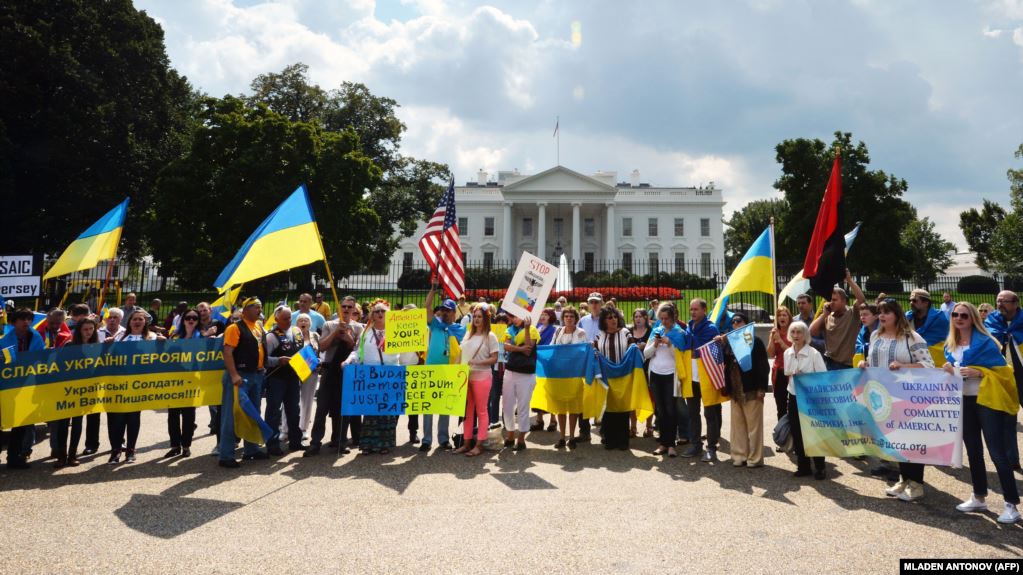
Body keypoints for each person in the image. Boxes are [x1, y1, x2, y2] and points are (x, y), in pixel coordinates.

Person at [946, 302, 1021, 524]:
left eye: (964, 315)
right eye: (955, 315)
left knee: (997, 453)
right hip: (964, 401)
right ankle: (978, 496)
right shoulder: (950, 344)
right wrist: (948, 370)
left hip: (986, 401)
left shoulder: (986, 343)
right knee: (974, 451)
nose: (959, 318)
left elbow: (1005, 373)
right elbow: (953, 370)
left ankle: (1011, 505)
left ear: (973, 319)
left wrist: (980, 372)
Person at [856, 299, 934, 500]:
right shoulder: (875, 335)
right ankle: (903, 479)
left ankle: (916, 484)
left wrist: (903, 366)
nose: (882, 316)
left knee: (911, 439)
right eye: (880, 312)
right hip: (883, 397)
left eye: (887, 312)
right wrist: (865, 364)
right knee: (896, 439)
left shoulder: (911, 337)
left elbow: (928, 365)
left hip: (907, 397)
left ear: (897, 315)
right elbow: (874, 362)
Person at [342, 300, 417, 455]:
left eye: (383, 311)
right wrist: (348, 361)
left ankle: (385, 444)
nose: (380, 314)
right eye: (377, 311)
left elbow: (407, 353)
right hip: (370, 377)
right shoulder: (366, 332)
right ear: (372, 315)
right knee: (370, 411)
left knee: (387, 412)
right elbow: (357, 351)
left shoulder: (396, 331)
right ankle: (368, 445)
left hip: (390, 376)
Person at [306, 296, 362, 457]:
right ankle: (315, 442)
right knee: (322, 407)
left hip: (346, 372)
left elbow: (357, 350)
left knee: (342, 408)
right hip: (329, 370)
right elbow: (322, 347)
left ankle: (340, 441)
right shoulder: (329, 324)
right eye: (343, 306)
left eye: (349, 307)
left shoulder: (358, 327)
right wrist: (336, 332)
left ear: (354, 309)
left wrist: (348, 337)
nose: (346, 309)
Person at [218, 298, 267, 468]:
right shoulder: (234, 328)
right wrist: (233, 375)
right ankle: (226, 455)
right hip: (240, 376)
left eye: (260, 308)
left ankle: (251, 450)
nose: (259, 311)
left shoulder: (259, 327)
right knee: (231, 415)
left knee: (253, 413)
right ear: (245, 310)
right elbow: (227, 352)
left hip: (256, 375)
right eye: (256, 307)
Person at [109, 309, 163, 463]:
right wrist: (108, 344)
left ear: (145, 322)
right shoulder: (120, 336)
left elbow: (161, 357)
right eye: (134, 319)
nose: (137, 322)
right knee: (118, 419)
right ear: (129, 322)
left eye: (140, 319)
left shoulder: (152, 338)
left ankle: (131, 450)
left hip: (139, 386)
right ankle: (116, 450)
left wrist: (162, 344)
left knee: (133, 418)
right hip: (120, 384)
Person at [420, 281, 466, 452]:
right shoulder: (435, 324)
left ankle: (443, 439)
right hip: (431, 369)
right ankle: (426, 439)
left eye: (448, 310)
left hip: (448, 371)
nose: (445, 313)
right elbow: (426, 307)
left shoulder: (460, 329)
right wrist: (432, 290)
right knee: (428, 407)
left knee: (444, 406)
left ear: (454, 312)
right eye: (443, 310)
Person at [718, 313, 768, 468]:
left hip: (751, 389)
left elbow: (763, 366)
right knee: (738, 427)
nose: (735, 324)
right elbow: (724, 363)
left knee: (754, 427)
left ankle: (755, 458)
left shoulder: (755, 341)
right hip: (735, 390)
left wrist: (762, 388)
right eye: (733, 322)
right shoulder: (730, 343)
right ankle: (740, 455)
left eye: (738, 321)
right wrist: (721, 343)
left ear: (746, 324)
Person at [642, 302, 690, 458]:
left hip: (671, 375)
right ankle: (663, 443)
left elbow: (680, 358)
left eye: (666, 319)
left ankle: (671, 444)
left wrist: (670, 344)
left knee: (671, 410)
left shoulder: (679, 332)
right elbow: (647, 354)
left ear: (673, 317)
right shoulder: (656, 330)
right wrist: (655, 344)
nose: (663, 322)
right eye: (661, 318)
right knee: (660, 410)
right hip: (656, 374)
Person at [0, 309, 45, 469]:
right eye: (22, 319)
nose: (26, 322)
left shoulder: (37, 337)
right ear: (14, 322)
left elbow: (42, 359)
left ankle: (14, 457)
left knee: (20, 424)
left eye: (29, 319)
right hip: (6, 388)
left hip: (27, 387)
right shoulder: (4, 340)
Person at [984, 290, 1023, 472]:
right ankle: (1011, 459)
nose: (1000, 304)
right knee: (1007, 420)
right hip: (1003, 376)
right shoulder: (991, 321)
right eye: (998, 301)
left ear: (1015, 303)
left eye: (1004, 301)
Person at [783, 321, 828, 479]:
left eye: (799, 332)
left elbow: (823, 375)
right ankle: (803, 466)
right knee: (797, 432)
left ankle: (820, 466)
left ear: (805, 335)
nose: (796, 335)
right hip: (794, 395)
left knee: (814, 432)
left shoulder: (814, 353)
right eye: (793, 332)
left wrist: (806, 377)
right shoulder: (787, 352)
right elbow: (787, 372)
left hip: (811, 398)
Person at [454, 304, 500, 456]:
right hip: (466, 377)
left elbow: (495, 358)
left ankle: (479, 444)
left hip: (482, 376)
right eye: (475, 316)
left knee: (481, 410)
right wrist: (456, 367)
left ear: (486, 319)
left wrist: (477, 363)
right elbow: (460, 354)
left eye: (480, 317)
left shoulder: (490, 337)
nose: (477, 319)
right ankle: (466, 443)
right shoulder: (468, 334)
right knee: (467, 411)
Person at [683, 298, 725, 461]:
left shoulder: (711, 328)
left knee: (710, 413)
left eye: (696, 309)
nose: (692, 312)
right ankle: (695, 445)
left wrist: (697, 353)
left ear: (704, 310)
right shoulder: (688, 327)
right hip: (691, 377)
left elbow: (715, 351)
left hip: (707, 376)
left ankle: (711, 447)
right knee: (693, 413)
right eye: (691, 309)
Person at [262, 306, 307, 456]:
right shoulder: (271, 336)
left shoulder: (297, 331)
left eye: (289, 318)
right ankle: (272, 444)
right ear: (276, 320)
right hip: (276, 379)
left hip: (294, 377)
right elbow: (263, 360)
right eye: (284, 319)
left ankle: (296, 441)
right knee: (274, 411)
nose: (288, 321)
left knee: (294, 410)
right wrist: (278, 360)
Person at [595, 306, 634, 450]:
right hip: (606, 378)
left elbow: (632, 350)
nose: (614, 320)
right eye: (610, 317)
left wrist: (637, 347)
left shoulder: (625, 333)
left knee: (623, 409)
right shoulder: (599, 336)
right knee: (608, 408)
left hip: (623, 376)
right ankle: (610, 439)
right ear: (604, 321)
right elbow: (594, 351)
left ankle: (623, 440)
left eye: (615, 317)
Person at [549, 306, 589, 449]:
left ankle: (572, 437)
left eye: (571, 316)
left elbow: (585, 352)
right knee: (560, 407)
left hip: (575, 375)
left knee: (573, 407)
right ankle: (561, 437)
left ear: (576, 318)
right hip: (560, 375)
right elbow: (551, 348)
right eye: (566, 316)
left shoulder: (581, 333)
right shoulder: (558, 331)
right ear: (563, 318)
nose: (569, 318)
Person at [809, 271, 866, 370]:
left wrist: (849, 280)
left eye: (834, 300)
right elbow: (811, 331)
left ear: (844, 301)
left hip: (848, 366)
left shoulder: (853, 313)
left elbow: (861, 300)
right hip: (830, 364)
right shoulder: (827, 316)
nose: (831, 302)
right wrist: (824, 315)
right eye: (829, 299)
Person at [167, 308, 203, 458]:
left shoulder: (202, 336)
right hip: (175, 380)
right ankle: (175, 445)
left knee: (189, 416)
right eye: (188, 317)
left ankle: (186, 445)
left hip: (192, 380)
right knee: (173, 415)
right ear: (183, 320)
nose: (191, 320)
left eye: (194, 318)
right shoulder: (175, 336)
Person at [502, 314, 538, 451]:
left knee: (523, 407)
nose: (515, 319)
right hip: (510, 372)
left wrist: (527, 330)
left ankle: (521, 438)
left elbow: (529, 350)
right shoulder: (509, 330)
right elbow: (506, 346)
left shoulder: (533, 329)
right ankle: (510, 435)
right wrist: (520, 349)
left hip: (526, 374)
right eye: (513, 316)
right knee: (507, 406)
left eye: (518, 316)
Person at [907, 288, 951, 368]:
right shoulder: (907, 318)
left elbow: (941, 340)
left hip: (934, 362)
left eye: (914, 301)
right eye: (910, 300)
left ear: (926, 303)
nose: (911, 303)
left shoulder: (939, 318)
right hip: (911, 361)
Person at [531, 308, 559, 432]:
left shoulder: (554, 329)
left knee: (550, 391)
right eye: (541, 314)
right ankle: (539, 420)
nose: (543, 317)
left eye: (546, 315)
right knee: (538, 392)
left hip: (548, 363)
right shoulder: (536, 327)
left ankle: (553, 420)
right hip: (536, 363)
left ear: (551, 316)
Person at [293, 313, 319, 441]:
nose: (303, 322)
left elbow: (320, 352)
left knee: (307, 401)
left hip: (311, 372)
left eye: (306, 320)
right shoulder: (292, 334)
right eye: (300, 320)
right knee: (291, 400)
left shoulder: (315, 336)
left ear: (310, 323)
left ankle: (303, 429)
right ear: (296, 323)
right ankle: (286, 429)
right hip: (295, 372)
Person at [767, 305, 793, 421]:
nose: (782, 317)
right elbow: (771, 354)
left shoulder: (794, 332)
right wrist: (773, 339)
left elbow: (792, 352)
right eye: (779, 315)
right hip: (779, 372)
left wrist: (781, 341)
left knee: (793, 406)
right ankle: (782, 433)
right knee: (780, 406)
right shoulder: (774, 332)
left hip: (792, 372)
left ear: (789, 317)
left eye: (784, 315)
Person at [629, 308, 652, 437]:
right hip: (632, 368)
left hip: (647, 367)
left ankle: (649, 426)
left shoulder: (651, 332)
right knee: (633, 397)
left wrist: (645, 347)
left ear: (645, 318)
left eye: (640, 316)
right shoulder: (628, 331)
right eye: (636, 316)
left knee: (649, 397)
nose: (637, 319)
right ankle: (633, 426)